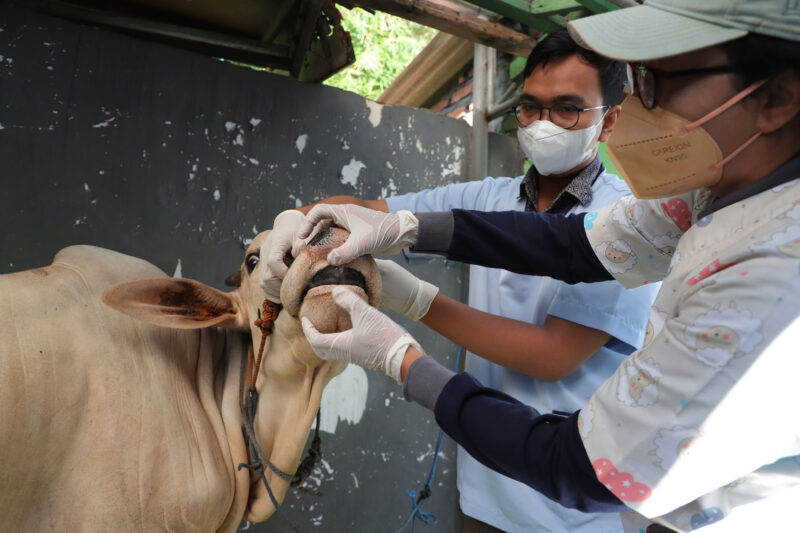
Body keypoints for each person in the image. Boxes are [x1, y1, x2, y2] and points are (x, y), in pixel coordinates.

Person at [287, 1, 800, 532]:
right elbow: (576, 246)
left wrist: (402, 355)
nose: (649, 105)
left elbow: (578, 464)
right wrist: (399, 226)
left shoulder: (774, 274)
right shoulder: (708, 196)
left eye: (661, 81)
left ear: (778, 97)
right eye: (530, 107)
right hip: (495, 486)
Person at [261, 30, 659, 533]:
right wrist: (292, 222)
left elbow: (552, 356)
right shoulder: (494, 196)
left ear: (609, 121)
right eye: (531, 108)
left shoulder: (627, 224)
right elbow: (368, 213)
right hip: (484, 487)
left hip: (567, 510)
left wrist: (417, 303)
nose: (543, 126)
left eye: (567, 109)